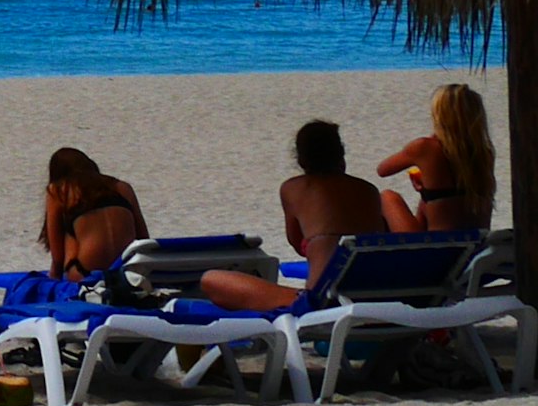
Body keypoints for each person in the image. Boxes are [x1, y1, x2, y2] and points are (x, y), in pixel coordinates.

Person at [197, 121, 392, 312]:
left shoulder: (294, 189)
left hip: (323, 304)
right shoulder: (368, 190)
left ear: (300, 160)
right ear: (341, 155)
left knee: (211, 280)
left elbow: (297, 243)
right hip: (375, 298)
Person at [378, 83, 496, 233]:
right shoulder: (485, 153)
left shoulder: (425, 147)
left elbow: (382, 169)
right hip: (476, 243)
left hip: (437, 245)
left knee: (388, 197)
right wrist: (426, 190)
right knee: (427, 201)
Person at [36, 147, 148, 278]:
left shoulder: (59, 190)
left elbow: (58, 257)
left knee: (70, 231)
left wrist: (53, 280)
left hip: (85, 272)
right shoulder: (123, 187)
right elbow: (143, 238)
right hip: (128, 271)